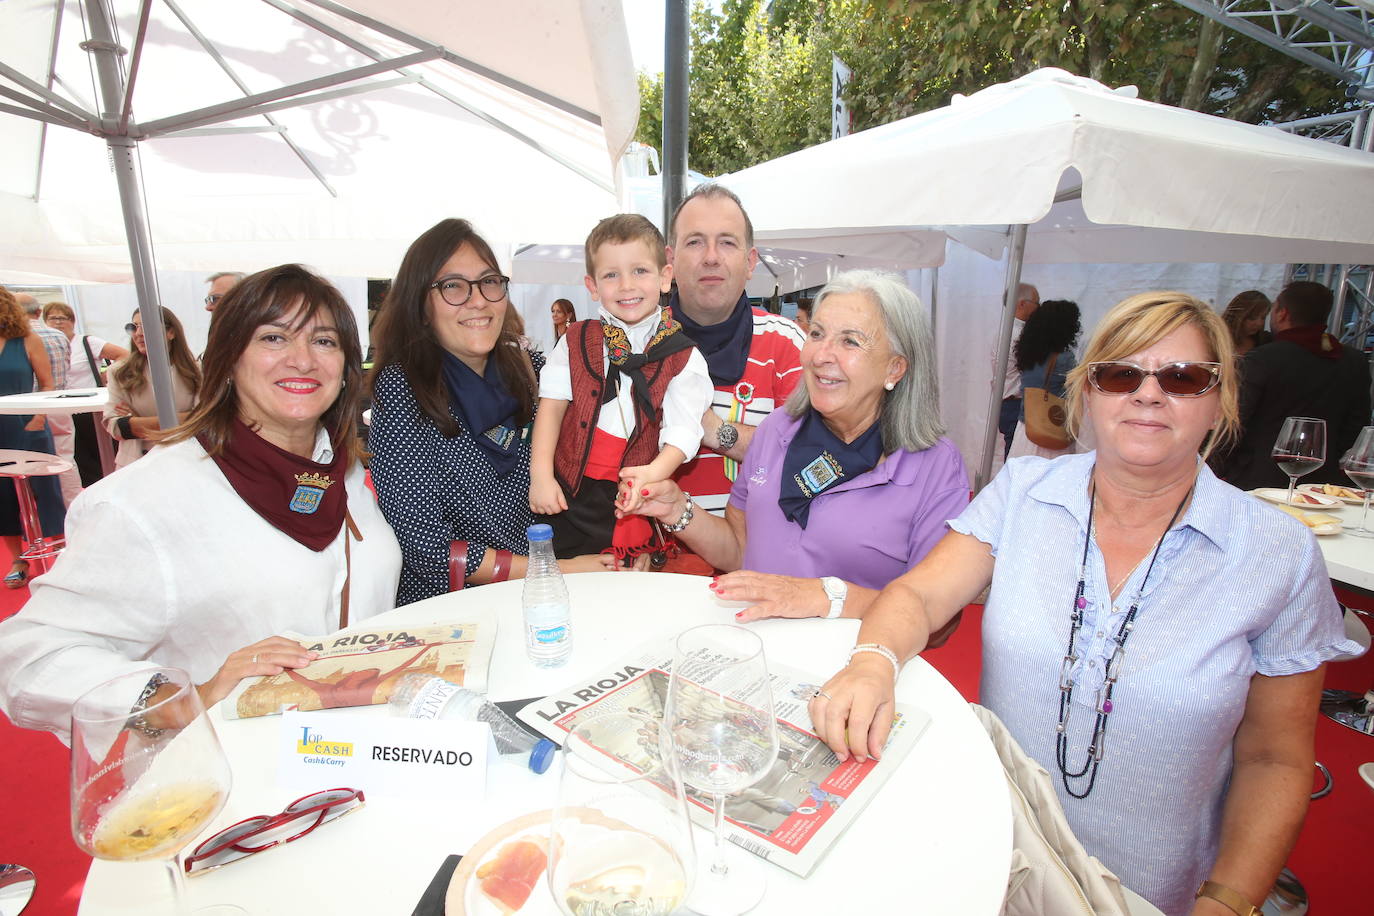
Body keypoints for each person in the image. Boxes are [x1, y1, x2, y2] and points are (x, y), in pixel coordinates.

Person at [810, 291, 1359, 916]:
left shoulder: (1277, 553)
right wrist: (872, 661)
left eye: (1182, 378)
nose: (1148, 394)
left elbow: (1274, 759)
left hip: (1152, 892)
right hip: (992, 860)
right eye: (1122, 373)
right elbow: (918, 593)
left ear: (1219, 400)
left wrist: (1227, 904)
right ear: (1088, 393)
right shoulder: (1024, 491)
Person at [0, 264, 402, 742]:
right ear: (229, 358)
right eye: (273, 338)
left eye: (324, 341)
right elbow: (32, 656)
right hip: (232, 782)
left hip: (355, 759)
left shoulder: (343, 473)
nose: (302, 359)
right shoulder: (144, 500)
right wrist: (187, 699)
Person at [626, 271, 968, 622]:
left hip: (856, 663)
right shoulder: (777, 430)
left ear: (895, 368)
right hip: (761, 650)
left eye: (850, 341)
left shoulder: (934, 467)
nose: (821, 354)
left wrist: (824, 598)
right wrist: (676, 510)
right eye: (817, 333)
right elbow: (743, 550)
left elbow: (936, 612)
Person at [368, 218, 613, 606]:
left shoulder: (533, 369)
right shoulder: (404, 388)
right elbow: (425, 546)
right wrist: (555, 568)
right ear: (421, 305)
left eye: (489, 281)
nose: (478, 299)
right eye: (452, 286)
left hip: (547, 598)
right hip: (455, 613)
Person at [529, 214, 712, 564]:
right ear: (593, 285)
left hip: (633, 489)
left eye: (640, 271)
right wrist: (540, 477)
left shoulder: (683, 355)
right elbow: (551, 408)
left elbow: (684, 433)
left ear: (664, 277)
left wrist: (651, 475)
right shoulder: (576, 340)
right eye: (611, 275)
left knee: (624, 576)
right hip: (569, 489)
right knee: (567, 574)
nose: (626, 285)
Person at [667, 184, 806, 518]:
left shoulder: (788, 344)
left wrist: (712, 429)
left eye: (727, 242)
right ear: (669, 261)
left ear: (750, 262)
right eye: (695, 241)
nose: (711, 256)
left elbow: (812, 461)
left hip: (756, 563)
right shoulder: (634, 345)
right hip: (647, 562)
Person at [1211, 280, 1372, 490]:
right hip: (1322, 482)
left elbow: (1233, 422)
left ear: (1282, 313)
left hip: (1254, 481)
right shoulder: (1354, 360)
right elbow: (1356, 426)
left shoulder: (1263, 359)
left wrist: (1215, 471)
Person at [0, 287, 63, 590]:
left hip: (28, 426)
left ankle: (58, 555)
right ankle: (19, 560)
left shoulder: (26, 340)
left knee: (45, 492)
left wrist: (38, 419)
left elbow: (48, 383)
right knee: (2, 497)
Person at [103, 307, 202, 469]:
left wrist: (135, 422)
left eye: (147, 325)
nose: (139, 333)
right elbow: (115, 427)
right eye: (133, 327)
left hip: (185, 461)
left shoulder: (196, 371)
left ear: (171, 333)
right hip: (135, 463)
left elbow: (204, 420)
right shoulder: (119, 372)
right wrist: (185, 419)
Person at [42, 301, 128, 487]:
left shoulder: (87, 342)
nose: (57, 322)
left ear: (72, 321)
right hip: (63, 409)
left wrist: (109, 373)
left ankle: (111, 485)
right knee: (78, 457)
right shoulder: (46, 345)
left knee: (101, 453)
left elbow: (125, 355)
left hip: (91, 408)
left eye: (62, 318)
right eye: (52, 318)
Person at [1007, 298, 1082, 459]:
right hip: (1051, 426)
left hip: (1026, 426)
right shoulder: (1063, 358)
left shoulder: (1028, 352)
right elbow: (1078, 388)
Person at [996, 283, 1041, 459]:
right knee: (1018, 460)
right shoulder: (1019, 335)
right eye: (1036, 303)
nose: (1039, 308)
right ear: (1022, 304)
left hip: (1008, 402)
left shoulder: (1003, 330)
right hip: (1016, 403)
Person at [1221, 290, 1271, 357]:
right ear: (1238, 316)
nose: (1259, 323)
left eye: (1263, 318)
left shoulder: (1265, 341)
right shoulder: (1219, 338)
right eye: (1252, 318)